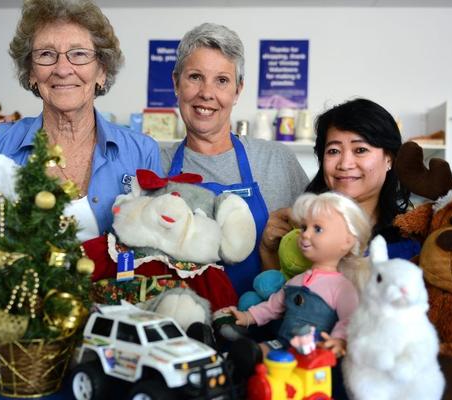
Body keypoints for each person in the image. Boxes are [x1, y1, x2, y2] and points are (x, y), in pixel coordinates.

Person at [0, 0, 161, 242]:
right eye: (46, 54)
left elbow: (156, 246)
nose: (63, 69)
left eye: (79, 54)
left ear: (101, 71)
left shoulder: (141, 152)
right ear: (32, 73)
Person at [163, 23, 310, 295]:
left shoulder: (277, 161)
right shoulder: (154, 163)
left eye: (221, 80)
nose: (207, 93)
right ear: (176, 83)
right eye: (195, 77)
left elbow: (317, 251)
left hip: (259, 326)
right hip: (176, 329)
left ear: (237, 90)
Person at [260, 98, 418, 268]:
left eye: (360, 150)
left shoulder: (409, 237)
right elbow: (283, 291)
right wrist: (269, 251)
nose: (344, 164)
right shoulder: (302, 230)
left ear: (389, 159)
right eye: (333, 151)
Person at [228, 192, 371, 358]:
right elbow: (273, 306)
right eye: (304, 227)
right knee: (250, 354)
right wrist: (247, 316)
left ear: (347, 241)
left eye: (317, 228)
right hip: (282, 344)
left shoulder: (342, 287)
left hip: (313, 353)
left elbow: (349, 320)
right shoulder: (297, 281)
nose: (305, 234)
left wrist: (339, 340)